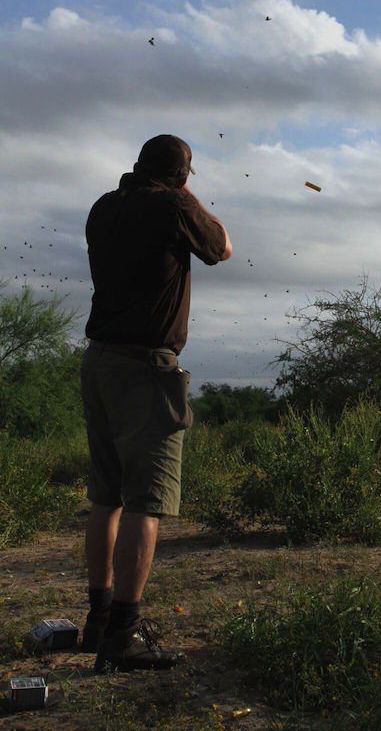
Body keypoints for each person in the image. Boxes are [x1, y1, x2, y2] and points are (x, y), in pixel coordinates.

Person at [79, 134, 232, 674]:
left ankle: (96, 619)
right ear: (182, 175)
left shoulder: (104, 206)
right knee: (145, 502)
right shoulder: (173, 205)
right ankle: (123, 633)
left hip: (98, 361)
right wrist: (187, 196)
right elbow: (220, 247)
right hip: (146, 369)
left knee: (106, 496)